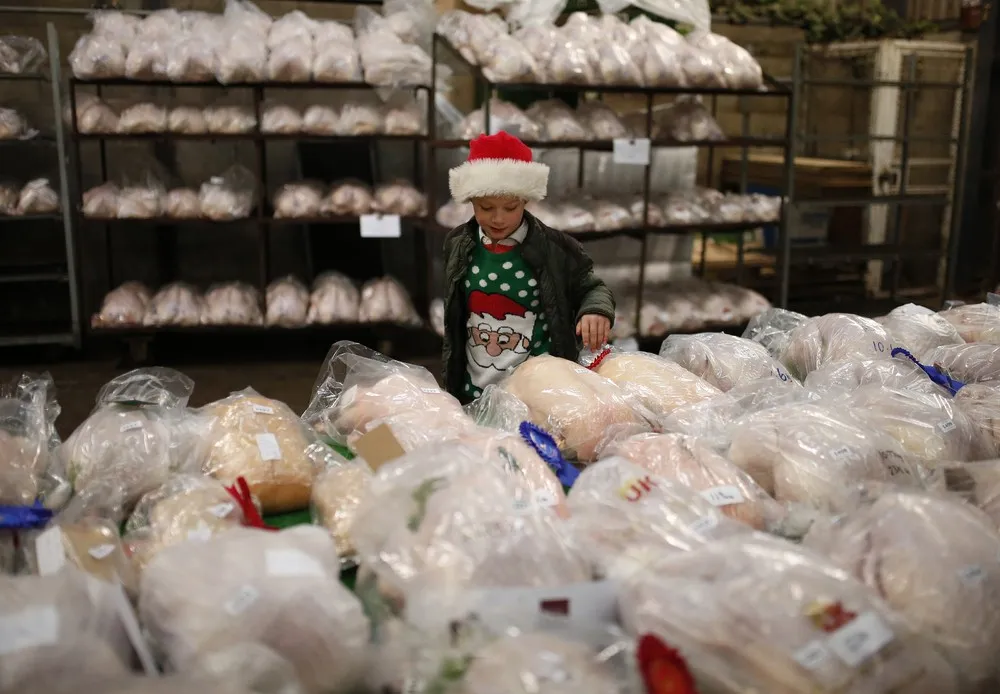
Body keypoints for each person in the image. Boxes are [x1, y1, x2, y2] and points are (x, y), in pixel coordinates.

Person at [441, 130, 615, 402]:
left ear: (525, 200)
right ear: (471, 200)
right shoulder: (458, 246)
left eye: (510, 208)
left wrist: (595, 311)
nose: (498, 218)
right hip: (474, 389)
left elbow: (591, 287)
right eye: (486, 207)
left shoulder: (555, 249)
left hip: (536, 394)